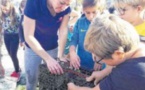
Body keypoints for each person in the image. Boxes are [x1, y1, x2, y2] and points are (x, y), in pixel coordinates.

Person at [67, 14, 145, 90]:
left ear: (118, 54)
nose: (96, 59)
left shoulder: (129, 72)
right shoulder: (139, 42)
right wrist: (104, 72)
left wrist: (71, 86)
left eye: (98, 58)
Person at [23, 0, 73, 89]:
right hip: (32, 48)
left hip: (52, 47)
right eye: (61, 3)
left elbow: (63, 30)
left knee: (50, 80)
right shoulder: (33, 3)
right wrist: (48, 59)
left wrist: (60, 55)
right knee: (31, 79)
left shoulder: (66, 8)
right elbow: (28, 36)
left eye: (67, 4)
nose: (64, 7)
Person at [69, 0, 106, 70]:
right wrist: (72, 52)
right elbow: (74, 40)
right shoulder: (80, 22)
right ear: (83, 10)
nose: (91, 16)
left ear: (100, 10)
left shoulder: (105, 24)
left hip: (100, 65)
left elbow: (109, 46)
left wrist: (100, 60)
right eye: (87, 13)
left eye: (94, 12)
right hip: (82, 63)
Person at [0, 0, 20, 80]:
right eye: (3, 9)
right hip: (6, 36)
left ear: (10, 7)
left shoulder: (16, 15)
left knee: (13, 54)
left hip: (15, 36)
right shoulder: (1, 14)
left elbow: (21, 27)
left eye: (6, 9)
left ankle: (17, 71)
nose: (5, 11)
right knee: (9, 54)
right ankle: (18, 67)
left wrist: (23, 40)